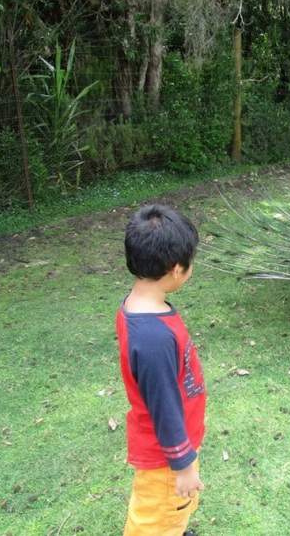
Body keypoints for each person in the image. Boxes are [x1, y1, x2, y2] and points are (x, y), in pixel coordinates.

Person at [117, 204, 206, 536]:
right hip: (164, 458)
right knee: (156, 517)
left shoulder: (138, 306)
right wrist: (182, 466)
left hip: (171, 447)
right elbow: (164, 406)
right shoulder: (153, 337)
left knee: (173, 510)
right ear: (175, 268)